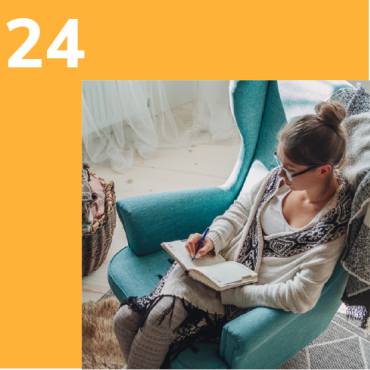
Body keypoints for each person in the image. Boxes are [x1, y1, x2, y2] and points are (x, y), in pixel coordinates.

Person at [113, 101, 352, 370]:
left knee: (158, 320)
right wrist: (211, 239)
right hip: (214, 268)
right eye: (279, 161)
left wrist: (237, 294)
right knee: (124, 318)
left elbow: (301, 296)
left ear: (323, 170)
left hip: (240, 298)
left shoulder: (332, 227)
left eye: (290, 170)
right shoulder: (277, 179)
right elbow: (239, 212)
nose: (281, 175)